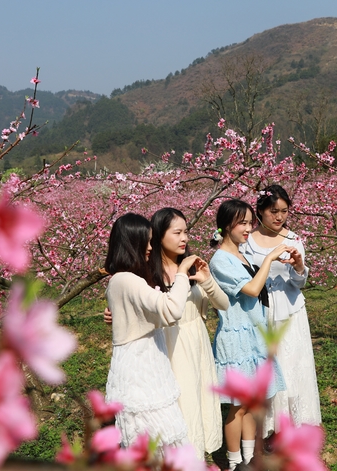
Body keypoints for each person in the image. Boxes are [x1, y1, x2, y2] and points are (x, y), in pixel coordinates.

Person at [103, 212, 207, 448]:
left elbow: (149, 314)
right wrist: (182, 274)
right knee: (156, 434)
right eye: (146, 241)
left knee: (155, 436)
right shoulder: (127, 279)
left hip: (146, 361)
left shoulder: (122, 279)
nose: (151, 247)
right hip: (141, 365)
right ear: (133, 243)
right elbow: (170, 310)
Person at [209, 199, 287, 471]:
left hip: (253, 334)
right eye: (241, 223)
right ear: (226, 226)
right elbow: (253, 290)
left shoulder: (241, 255)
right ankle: (232, 463)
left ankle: (248, 460)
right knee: (238, 406)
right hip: (236, 338)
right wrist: (269, 258)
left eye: (249, 222)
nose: (247, 228)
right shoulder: (220, 260)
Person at [149, 207, 229, 457]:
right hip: (170, 345)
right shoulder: (149, 272)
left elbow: (223, 304)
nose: (185, 238)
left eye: (186, 232)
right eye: (177, 232)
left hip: (196, 341)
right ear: (159, 235)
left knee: (199, 400)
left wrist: (205, 280)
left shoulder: (195, 266)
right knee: (181, 403)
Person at [242, 184, 321, 431]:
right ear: (260, 211)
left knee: (292, 364)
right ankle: (267, 426)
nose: (279, 217)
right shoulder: (247, 242)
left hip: (290, 310)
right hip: (260, 309)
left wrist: (299, 267)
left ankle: (290, 426)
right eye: (273, 211)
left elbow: (299, 283)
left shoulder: (294, 240)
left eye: (284, 211)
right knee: (266, 366)